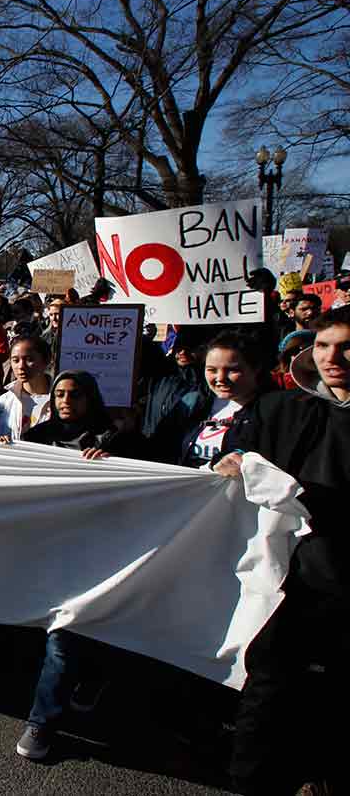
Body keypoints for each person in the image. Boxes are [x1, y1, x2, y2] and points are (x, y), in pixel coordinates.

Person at [216, 308, 350, 794]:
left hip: (341, 583)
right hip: (284, 582)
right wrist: (233, 461)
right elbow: (242, 455)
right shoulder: (286, 410)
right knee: (266, 687)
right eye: (323, 346)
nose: (334, 358)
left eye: (346, 346)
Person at [12, 371, 145, 761]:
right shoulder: (37, 437)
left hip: (93, 551)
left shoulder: (117, 439)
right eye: (59, 394)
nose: (66, 400)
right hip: (45, 548)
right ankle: (91, 675)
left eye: (75, 394)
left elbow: (149, 481)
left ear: (91, 398)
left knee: (63, 637)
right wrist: (4, 450)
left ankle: (42, 722)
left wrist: (117, 463)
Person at [149, 331, 266, 468]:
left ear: (256, 368)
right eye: (212, 370)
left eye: (232, 370)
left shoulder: (271, 411)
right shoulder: (193, 403)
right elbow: (158, 451)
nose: (220, 378)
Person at [0, 336, 54, 441]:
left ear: (46, 360)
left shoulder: (62, 401)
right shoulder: (3, 402)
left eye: (29, 359)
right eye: (15, 360)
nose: (21, 366)